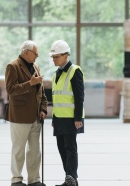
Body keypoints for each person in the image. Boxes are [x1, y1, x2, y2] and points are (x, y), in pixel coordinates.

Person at [5, 40, 48, 186]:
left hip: (36, 116)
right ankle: (16, 179)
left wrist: (43, 109)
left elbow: (41, 90)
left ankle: (34, 180)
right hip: (20, 117)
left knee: (35, 151)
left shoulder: (35, 66)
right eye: (35, 53)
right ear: (26, 52)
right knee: (19, 149)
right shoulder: (13, 66)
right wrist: (30, 83)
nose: (37, 56)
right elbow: (11, 89)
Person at [48, 40, 84, 186]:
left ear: (65, 55)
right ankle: (68, 177)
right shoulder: (56, 73)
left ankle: (72, 178)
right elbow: (57, 98)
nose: (54, 59)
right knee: (62, 149)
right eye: (53, 57)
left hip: (71, 118)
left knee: (70, 148)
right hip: (59, 118)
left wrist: (78, 117)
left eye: (56, 56)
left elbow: (79, 96)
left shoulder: (75, 71)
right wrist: (54, 118)